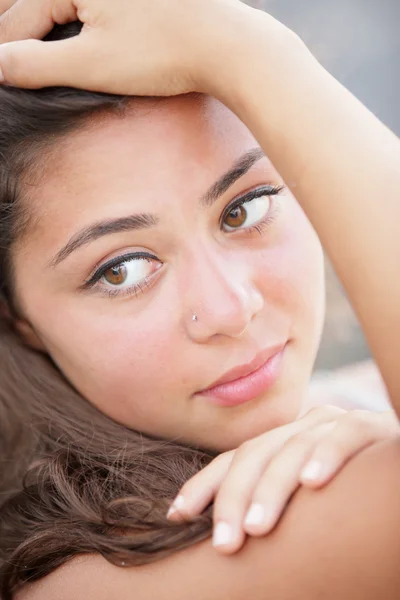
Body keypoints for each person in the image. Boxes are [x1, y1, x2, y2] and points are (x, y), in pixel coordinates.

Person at [0, 1, 399, 599]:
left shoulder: (357, 402)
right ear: (20, 319)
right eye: (122, 270)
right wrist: (248, 51)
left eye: (245, 208)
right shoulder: (91, 583)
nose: (231, 309)